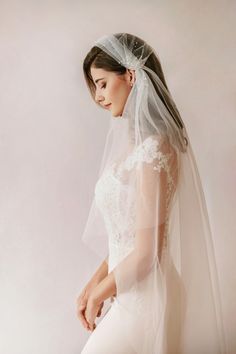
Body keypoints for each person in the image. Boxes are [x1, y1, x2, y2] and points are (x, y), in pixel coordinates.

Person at [77, 33, 228, 353]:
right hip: (129, 291)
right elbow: (127, 236)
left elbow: (149, 252)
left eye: (103, 83)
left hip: (149, 297)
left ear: (130, 75)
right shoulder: (135, 147)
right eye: (95, 86)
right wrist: (93, 283)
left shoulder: (155, 149)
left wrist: (99, 294)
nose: (98, 97)